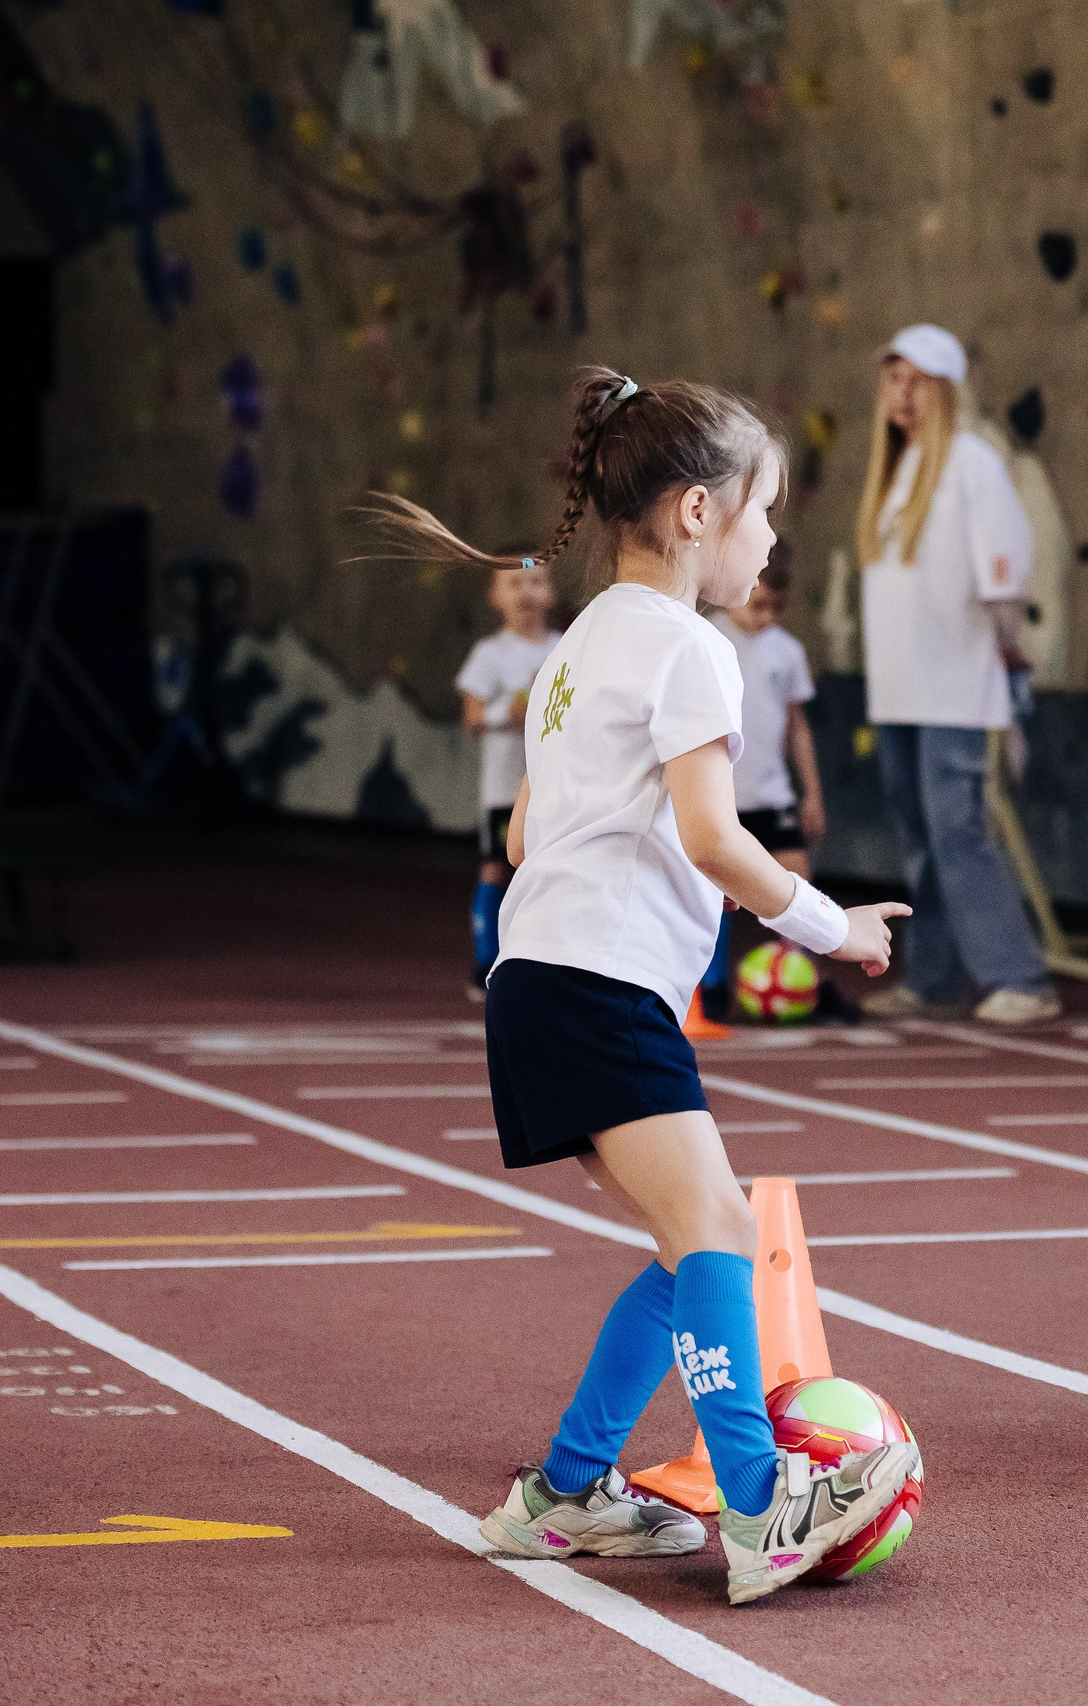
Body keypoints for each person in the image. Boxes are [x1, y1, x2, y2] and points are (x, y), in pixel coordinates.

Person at [361, 367, 919, 1599]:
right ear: (697, 512)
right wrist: (832, 927)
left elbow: (519, 840)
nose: (772, 539)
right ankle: (766, 1506)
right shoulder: (691, 648)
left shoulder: (575, 646)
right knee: (718, 1231)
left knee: (687, 1249)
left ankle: (566, 1493)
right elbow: (717, 839)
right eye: (765, 512)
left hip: (538, 981)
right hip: (597, 988)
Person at [854, 322, 1060, 1026]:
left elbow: (1003, 576)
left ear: (943, 388)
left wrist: (1008, 660)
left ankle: (1019, 977)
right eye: (892, 378)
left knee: (959, 832)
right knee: (920, 838)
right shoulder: (897, 468)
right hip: (898, 692)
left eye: (914, 380)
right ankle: (934, 977)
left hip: (953, 690)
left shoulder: (972, 462)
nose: (901, 394)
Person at [693, 549, 858, 1024]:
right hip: (720, 797)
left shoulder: (787, 652)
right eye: (758, 603)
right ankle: (710, 988)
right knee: (711, 893)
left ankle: (805, 979)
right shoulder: (706, 638)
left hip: (771, 795)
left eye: (777, 607)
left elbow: (797, 726)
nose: (766, 616)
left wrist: (813, 793)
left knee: (797, 881)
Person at [455, 558, 563, 997]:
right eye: (514, 583)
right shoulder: (490, 653)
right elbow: (473, 717)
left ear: (551, 592)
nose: (526, 592)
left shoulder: (567, 647)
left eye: (536, 581)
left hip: (556, 789)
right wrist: (511, 711)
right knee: (498, 868)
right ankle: (486, 963)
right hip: (504, 789)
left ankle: (550, 961)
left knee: (554, 869)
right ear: (495, 596)